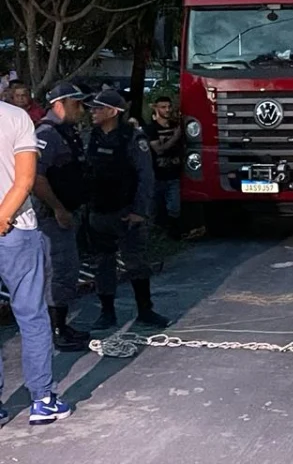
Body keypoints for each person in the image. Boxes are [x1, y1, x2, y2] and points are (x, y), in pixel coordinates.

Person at [0, 98, 72, 426]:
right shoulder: (15, 118)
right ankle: (42, 400)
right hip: (17, 229)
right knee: (31, 316)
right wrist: (2, 216)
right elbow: (25, 180)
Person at [85, 90, 169, 330]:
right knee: (102, 265)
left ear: (113, 112)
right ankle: (107, 312)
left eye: (99, 108)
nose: (93, 112)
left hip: (127, 213)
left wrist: (140, 212)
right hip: (99, 213)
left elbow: (146, 177)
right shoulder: (92, 137)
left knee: (136, 263)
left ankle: (145, 310)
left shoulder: (133, 138)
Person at [33, 82, 92, 351]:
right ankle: (56, 331)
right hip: (53, 217)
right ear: (59, 104)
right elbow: (36, 176)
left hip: (68, 213)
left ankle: (62, 325)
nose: (81, 109)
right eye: (76, 104)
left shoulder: (67, 132)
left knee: (67, 270)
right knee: (58, 272)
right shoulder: (47, 134)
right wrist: (57, 208)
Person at [143, 96, 184, 239]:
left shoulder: (175, 125)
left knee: (174, 208)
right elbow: (159, 149)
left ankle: (172, 235)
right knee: (153, 208)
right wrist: (176, 136)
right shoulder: (151, 129)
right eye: (163, 107)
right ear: (155, 108)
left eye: (168, 107)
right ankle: (152, 236)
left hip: (174, 174)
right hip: (157, 175)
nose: (167, 110)